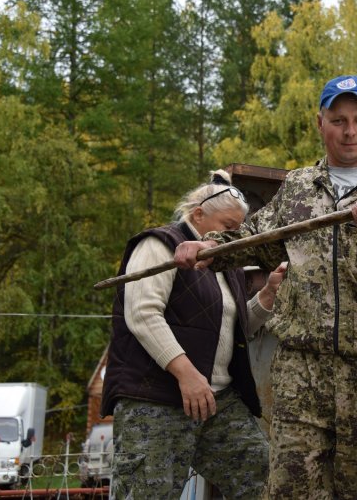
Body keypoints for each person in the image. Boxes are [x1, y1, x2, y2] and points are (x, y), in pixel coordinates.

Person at [173, 75, 357, 499]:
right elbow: (255, 240)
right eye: (338, 120)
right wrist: (206, 248)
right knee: (289, 490)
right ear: (321, 123)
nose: (349, 131)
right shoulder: (298, 187)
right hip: (302, 372)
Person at [101, 169, 287, 499]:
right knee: (147, 493)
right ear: (198, 214)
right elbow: (142, 313)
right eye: (229, 227)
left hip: (217, 401)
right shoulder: (159, 243)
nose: (235, 236)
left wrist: (266, 297)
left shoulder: (226, 264)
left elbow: (236, 329)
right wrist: (186, 374)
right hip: (156, 399)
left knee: (266, 480)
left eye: (239, 230)